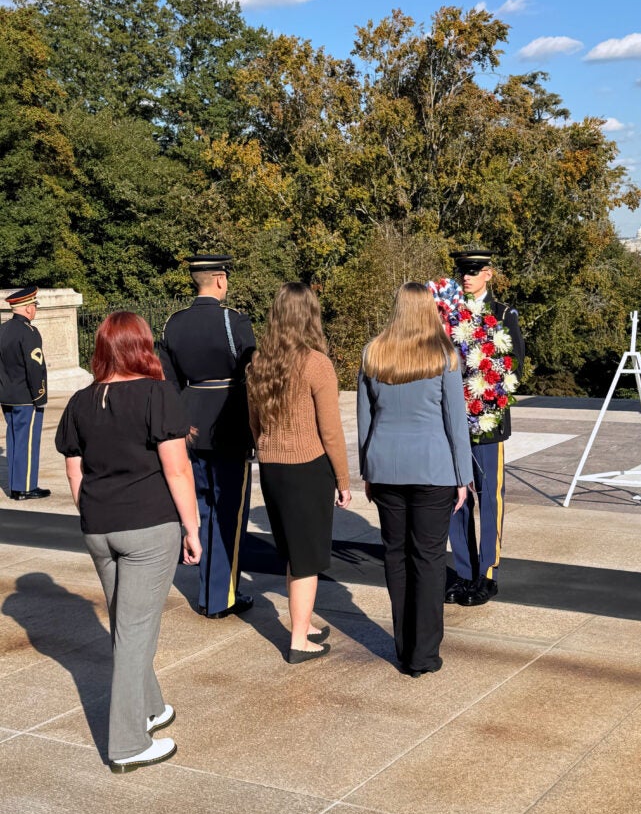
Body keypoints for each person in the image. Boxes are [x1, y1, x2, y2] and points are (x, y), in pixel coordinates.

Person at [55, 312, 202, 773]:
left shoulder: (81, 401)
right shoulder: (158, 394)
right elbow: (177, 469)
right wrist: (192, 527)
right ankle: (127, 744)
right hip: (147, 527)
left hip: (99, 527)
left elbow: (74, 470)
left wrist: (93, 511)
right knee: (136, 632)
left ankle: (150, 707)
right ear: (142, 347)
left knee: (127, 624)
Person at [357, 282, 473, 677]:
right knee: (428, 558)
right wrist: (463, 476)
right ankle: (423, 654)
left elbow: (365, 418)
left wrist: (367, 468)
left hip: (386, 466)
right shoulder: (443, 355)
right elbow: (455, 423)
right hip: (433, 468)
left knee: (396, 555)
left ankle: (404, 648)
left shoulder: (373, 353)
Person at [246, 283, 351, 664]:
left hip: (272, 468)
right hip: (308, 468)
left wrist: (268, 451)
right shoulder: (316, 363)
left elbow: (254, 423)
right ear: (310, 315)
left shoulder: (259, 362)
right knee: (306, 558)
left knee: (293, 551)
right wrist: (343, 480)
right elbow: (331, 431)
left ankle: (302, 625)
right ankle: (298, 642)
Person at [159, 254, 256, 620]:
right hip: (228, 425)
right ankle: (220, 597)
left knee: (200, 510)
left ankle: (208, 591)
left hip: (190, 424)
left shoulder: (174, 323)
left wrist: (181, 421)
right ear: (219, 279)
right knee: (229, 513)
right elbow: (251, 375)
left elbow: (169, 381)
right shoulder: (234, 321)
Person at [445, 248, 525, 607]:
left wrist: (482, 390)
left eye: (474, 270)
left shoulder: (504, 315)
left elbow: (514, 366)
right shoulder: (449, 314)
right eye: (463, 271)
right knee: (456, 498)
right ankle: (464, 573)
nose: (466, 276)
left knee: (489, 498)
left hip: (487, 420)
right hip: (453, 421)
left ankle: (486, 574)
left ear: (488, 274)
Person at [0, 286, 50, 501]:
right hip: (26, 397)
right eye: (34, 306)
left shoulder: (2, 330)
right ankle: (25, 487)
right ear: (28, 308)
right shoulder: (29, 332)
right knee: (27, 442)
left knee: (14, 440)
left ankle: (15, 485)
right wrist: (40, 396)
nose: (35, 310)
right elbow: (35, 367)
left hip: (6, 396)